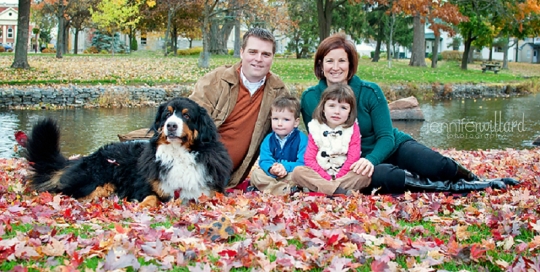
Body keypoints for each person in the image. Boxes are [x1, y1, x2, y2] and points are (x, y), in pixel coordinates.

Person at [300, 33, 518, 195]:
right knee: (388, 177)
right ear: (320, 64)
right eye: (329, 60)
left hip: (390, 147)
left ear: (350, 64)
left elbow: (386, 136)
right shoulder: (310, 98)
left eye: (341, 61)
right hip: (353, 163)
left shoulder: (369, 91)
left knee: (436, 165)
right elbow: (317, 139)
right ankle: (453, 187)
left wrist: (372, 159)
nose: (335, 67)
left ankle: (477, 180)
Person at [189, 28, 289, 189]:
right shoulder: (215, 81)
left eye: (266, 54)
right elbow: (187, 122)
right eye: (253, 52)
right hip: (194, 165)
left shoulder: (278, 92)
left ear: (272, 58)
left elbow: (287, 137)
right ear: (242, 52)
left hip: (228, 175)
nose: (258, 59)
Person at [291, 84, 371, 196]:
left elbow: (354, 156)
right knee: (297, 172)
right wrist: (326, 177)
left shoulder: (352, 128)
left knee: (364, 175)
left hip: (344, 174)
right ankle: (338, 191)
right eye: (332, 106)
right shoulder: (315, 127)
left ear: (350, 111)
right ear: (323, 108)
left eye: (343, 107)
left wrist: (338, 176)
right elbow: (309, 158)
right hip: (320, 173)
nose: (337, 111)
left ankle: (324, 190)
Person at [249, 95, 308, 195]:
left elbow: (303, 162)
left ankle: (270, 189)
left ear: (296, 122)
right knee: (256, 174)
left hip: (290, 173)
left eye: (286, 120)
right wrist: (272, 169)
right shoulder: (268, 139)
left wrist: (285, 166)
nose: (279, 123)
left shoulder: (302, 139)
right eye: (275, 119)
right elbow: (264, 160)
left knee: (302, 175)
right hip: (272, 175)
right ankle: (283, 190)